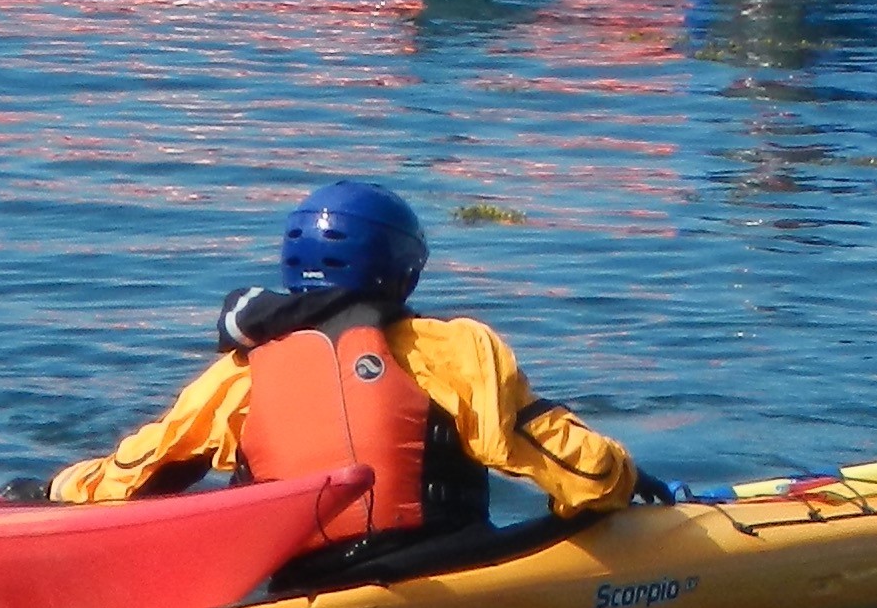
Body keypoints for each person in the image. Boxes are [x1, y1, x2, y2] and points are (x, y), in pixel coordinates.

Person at [45, 182, 661, 555]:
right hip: (442, 570)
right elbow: (579, 475)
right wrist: (626, 481)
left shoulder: (239, 373)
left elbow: (131, 477)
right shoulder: (453, 349)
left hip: (298, 586)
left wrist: (52, 494)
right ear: (403, 271)